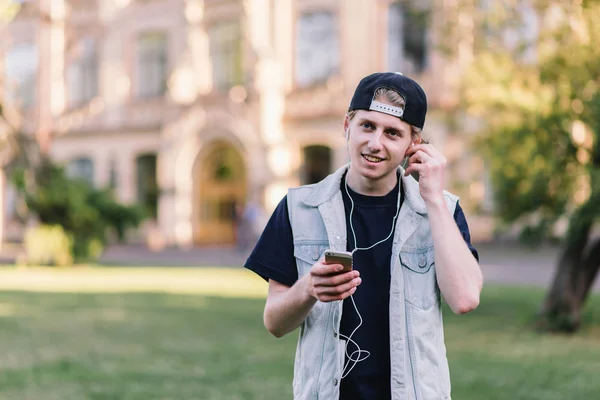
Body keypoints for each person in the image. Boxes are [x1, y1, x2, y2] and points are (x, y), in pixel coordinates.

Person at [244, 72, 483, 400]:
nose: (375, 143)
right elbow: (274, 322)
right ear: (347, 126)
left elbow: (465, 298)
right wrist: (308, 289)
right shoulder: (298, 207)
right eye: (367, 126)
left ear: (414, 145)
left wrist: (433, 199)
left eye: (392, 133)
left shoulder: (442, 210)